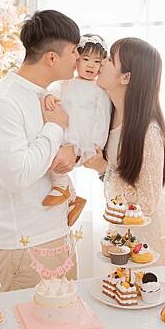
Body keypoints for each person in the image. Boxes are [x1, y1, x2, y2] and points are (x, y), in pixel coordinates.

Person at [0, 10, 81, 291]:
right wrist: (56, 127)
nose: (79, 58)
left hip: (55, 237)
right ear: (52, 58)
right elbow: (18, 176)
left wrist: (70, 151)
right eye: (74, 51)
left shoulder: (44, 95)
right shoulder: (2, 103)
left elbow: (47, 153)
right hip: (23, 249)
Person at [84, 37, 165, 267]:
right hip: (123, 226)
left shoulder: (148, 132)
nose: (101, 62)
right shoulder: (106, 110)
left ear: (125, 77)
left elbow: (147, 201)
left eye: (109, 59)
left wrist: (103, 168)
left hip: (151, 234)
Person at [41, 34, 112, 227]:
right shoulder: (66, 83)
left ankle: (64, 190)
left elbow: (102, 117)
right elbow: (52, 92)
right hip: (66, 133)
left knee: (59, 161)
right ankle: (71, 197)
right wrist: (49, 97)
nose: (91, 65)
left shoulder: (99, 90)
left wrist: (97, 143)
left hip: (84, 139)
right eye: (86, 59)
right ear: (77, 60)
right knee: (52, 158)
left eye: (97, 61)